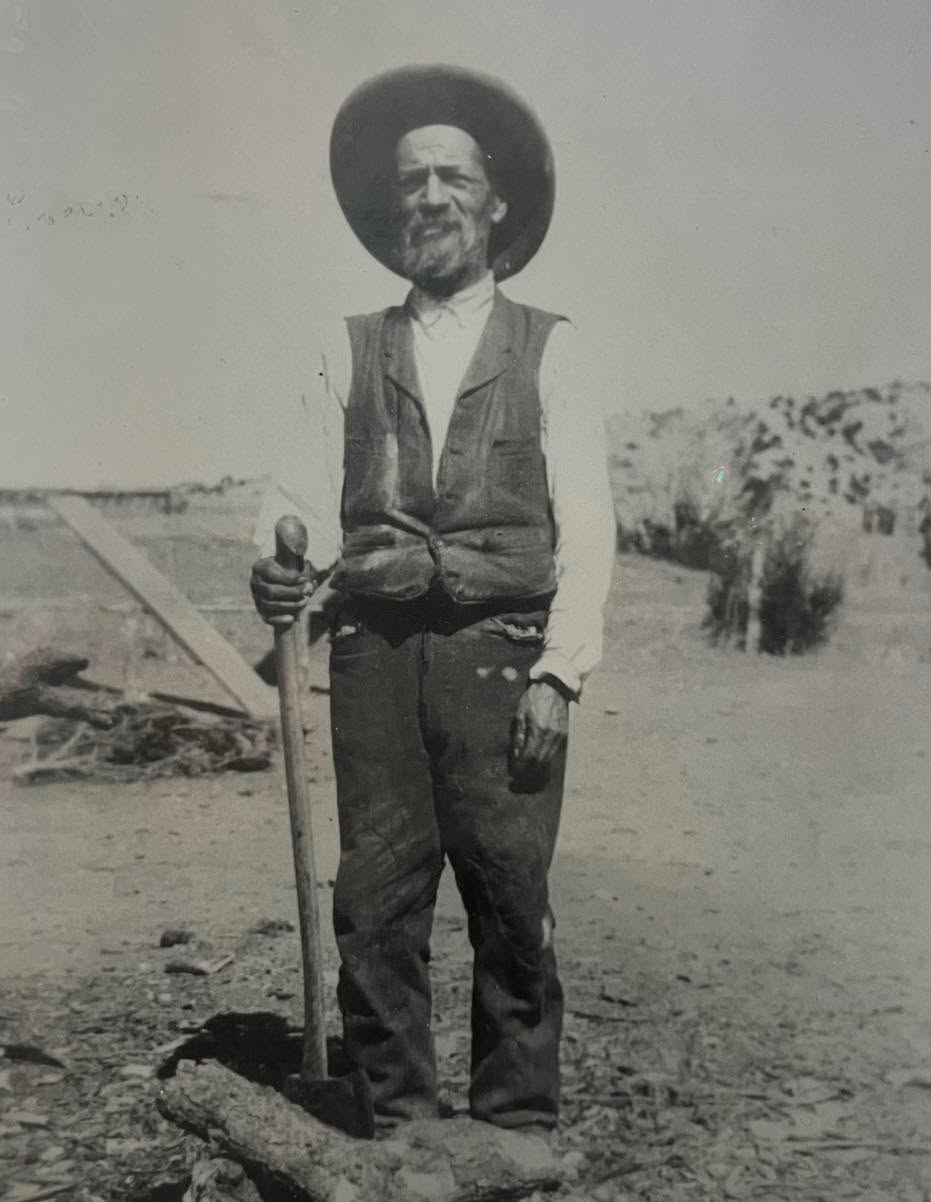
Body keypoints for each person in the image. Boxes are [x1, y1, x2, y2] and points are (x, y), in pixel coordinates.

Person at [251, 65, 615, 1138]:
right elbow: (298, 503)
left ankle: (515, 1122)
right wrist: (278, 569)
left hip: (504, 657)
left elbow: (587, 525)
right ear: (389, 208)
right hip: (373, 655)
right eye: (411, 182)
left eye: (453, 178)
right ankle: (395, 1121)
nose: (430, 197)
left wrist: (559, 673)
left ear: (495, 203)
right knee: (374, 899)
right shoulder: (348, 345)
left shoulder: (550, 346)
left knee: (509, 890)